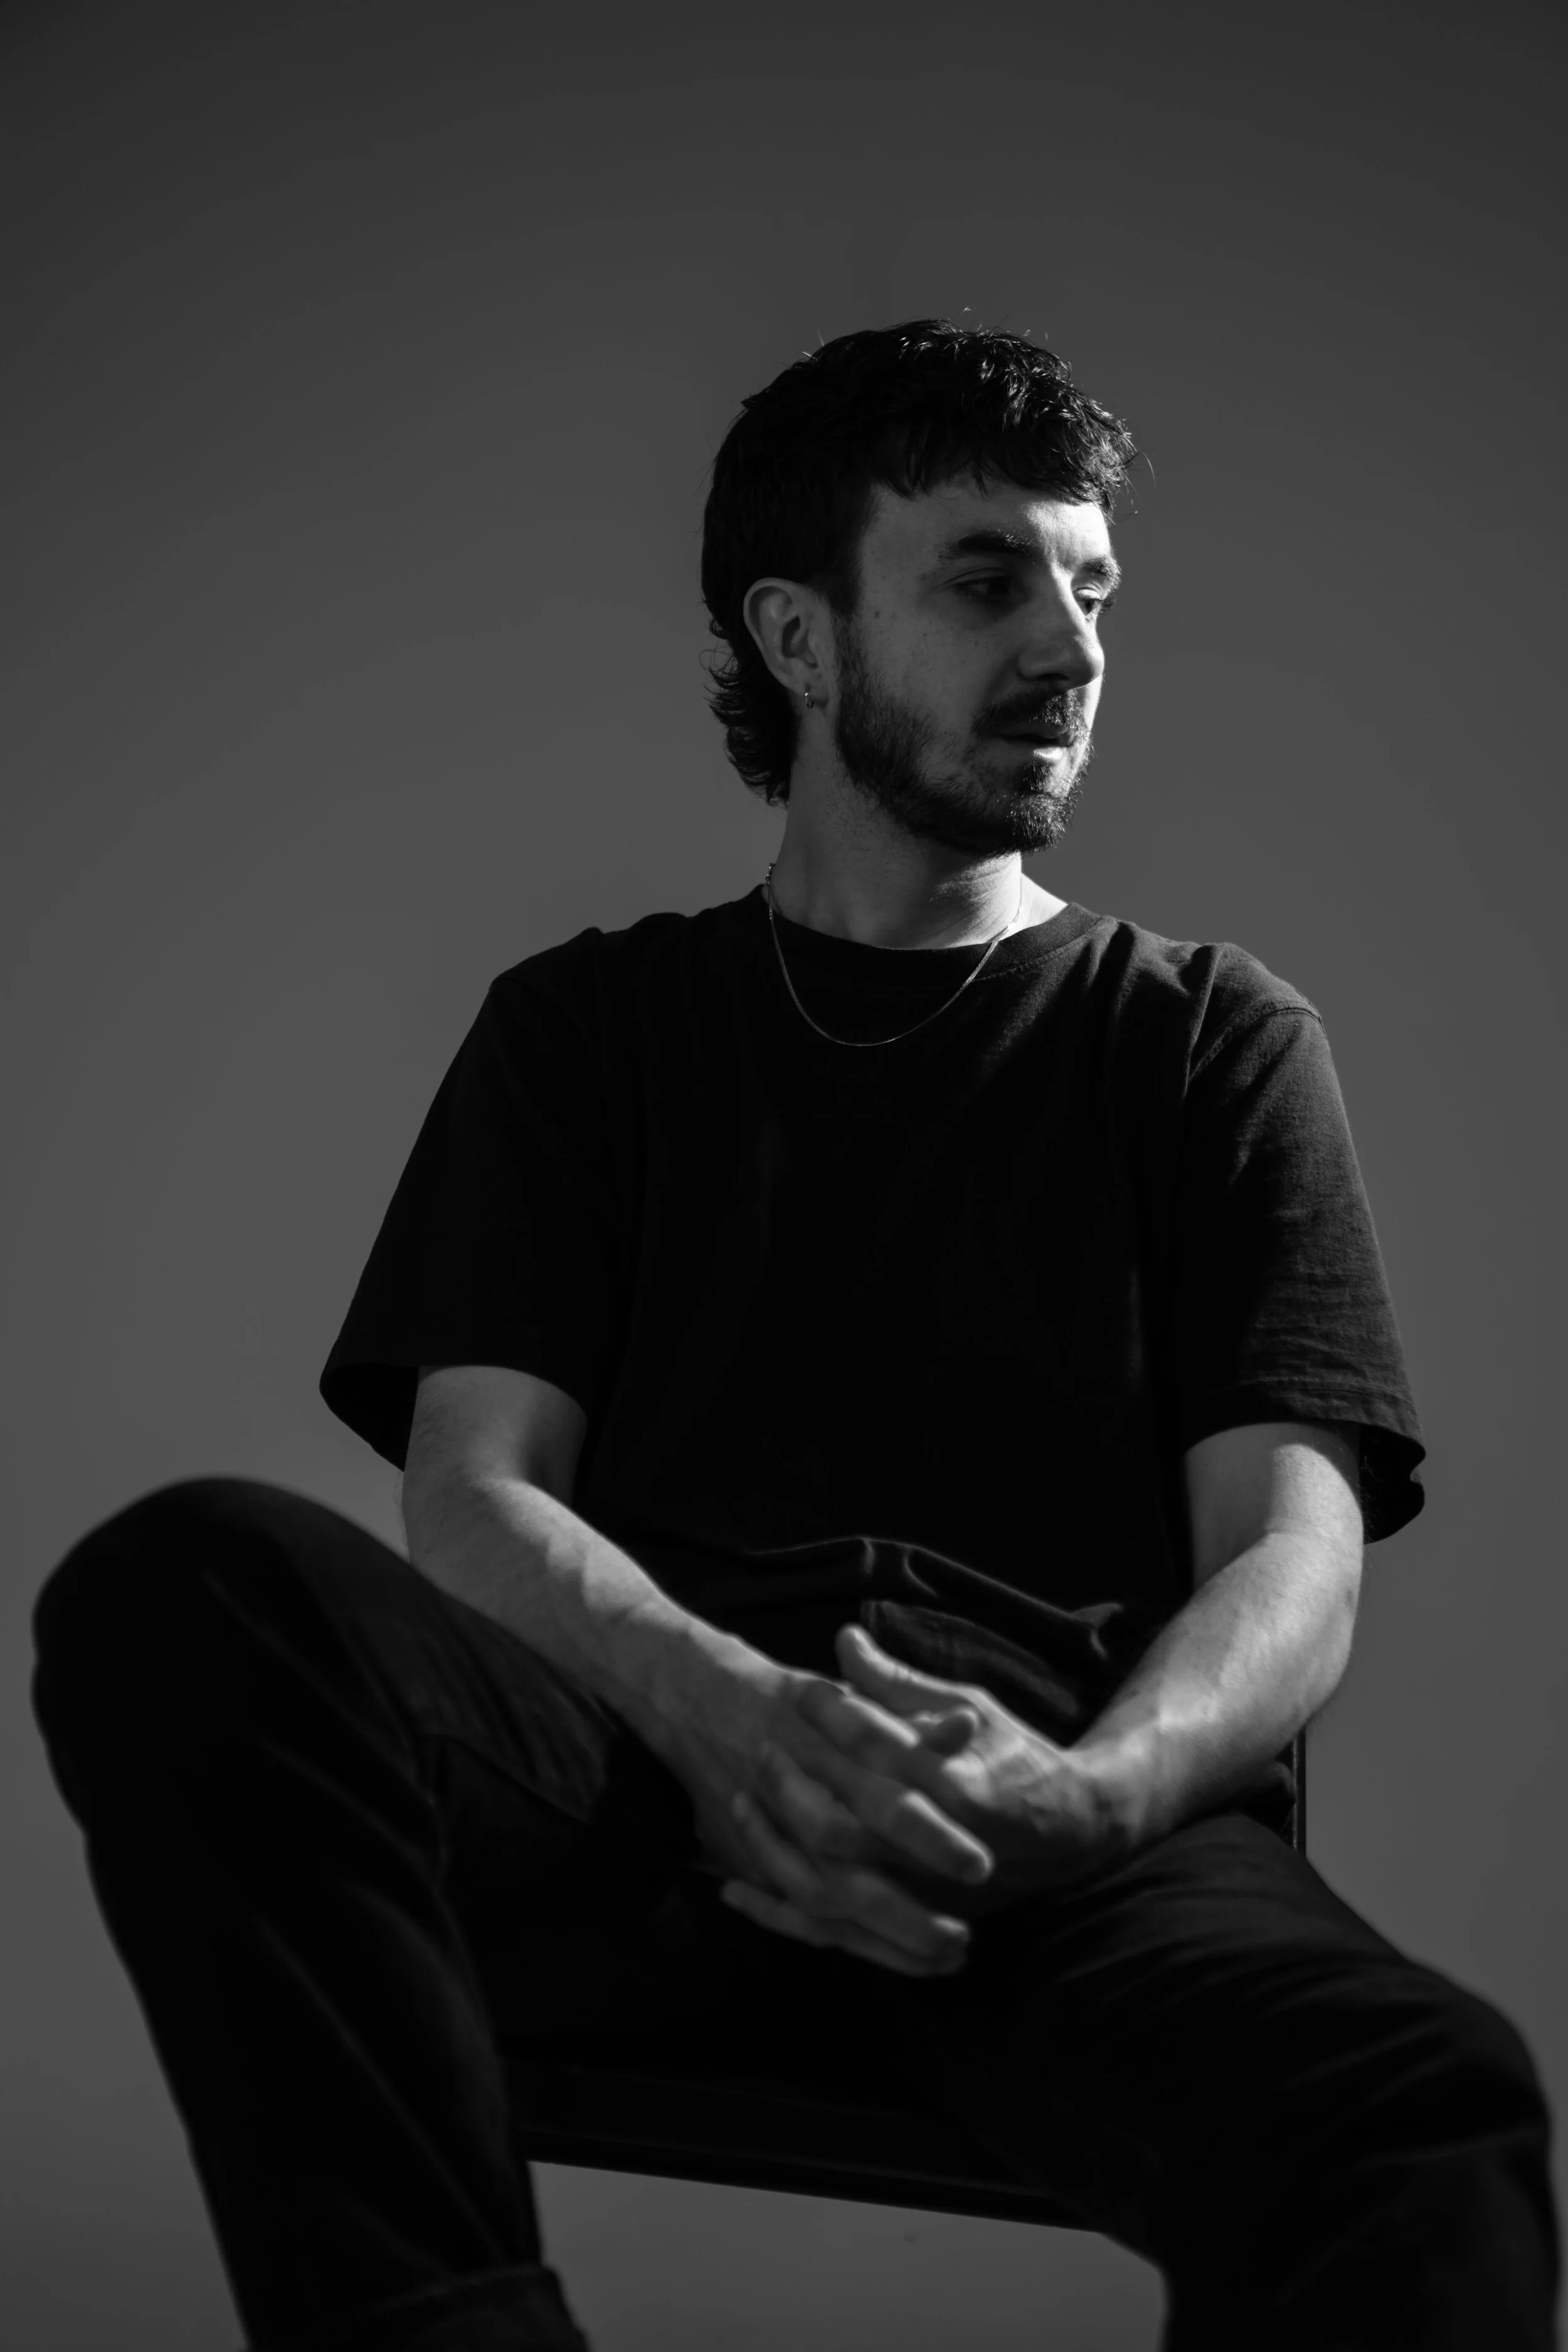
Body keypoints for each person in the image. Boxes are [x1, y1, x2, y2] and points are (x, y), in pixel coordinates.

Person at [31, 319, 1558, 2351]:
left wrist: (1089, 1804)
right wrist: (735, 1721)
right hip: (642, 1790)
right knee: (190, 1585)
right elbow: (472, 1488)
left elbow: (1293, 1547)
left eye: (1093, 588)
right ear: (800, 635)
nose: (1074, 646)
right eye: (988, 576)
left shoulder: (1206, 1041)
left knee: (1417, 2111)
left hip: (1038, 1820)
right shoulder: (587, 1033)